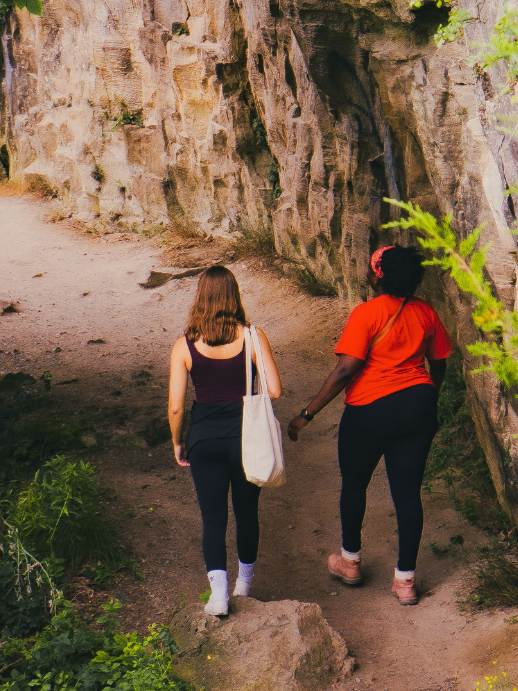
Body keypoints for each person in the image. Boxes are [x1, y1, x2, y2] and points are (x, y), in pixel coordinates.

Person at [286, 244, 452, 606]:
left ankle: (350, 562)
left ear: (378, 273)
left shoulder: (367, 313)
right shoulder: (426, 312)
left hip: (370, 410)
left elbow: (347, 368)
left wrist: (307, 413)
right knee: (408, 495)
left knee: (355, 484)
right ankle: (405, 581)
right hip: (417, 406)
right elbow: (439, 361)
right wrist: (428, 395)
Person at [168, 265, 283, 618]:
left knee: (213, 519)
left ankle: (219, 595)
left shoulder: (185, 344)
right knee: (247, 513)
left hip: (204, 439)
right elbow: (275, 390)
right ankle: (244, 587)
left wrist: (177, 442)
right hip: (246, 440)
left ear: (200, 297)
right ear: (234, 295)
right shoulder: (252, 336)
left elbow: (175, 406)